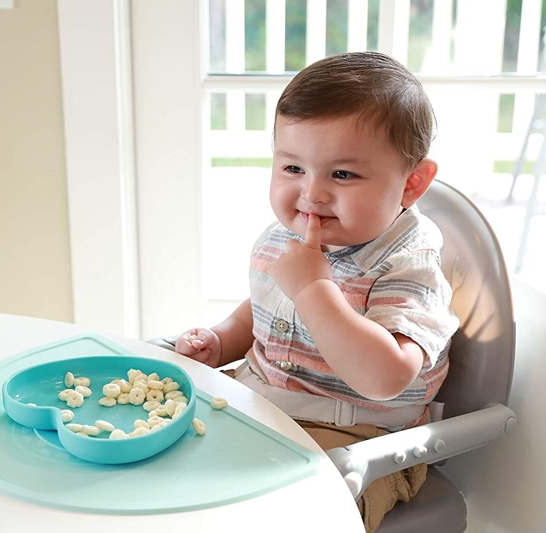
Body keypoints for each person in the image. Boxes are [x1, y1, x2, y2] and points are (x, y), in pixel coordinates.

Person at [174, 51, 460, 532]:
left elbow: (385, 376)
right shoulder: (292, 235)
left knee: (282, 517)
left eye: (342, 174)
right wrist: (223, 339)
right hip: (256, 410)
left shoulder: (408, 267)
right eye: (292, 169)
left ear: (412, 183)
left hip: (356, 443)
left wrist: (314, 287)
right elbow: (268, 304)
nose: (312, 194)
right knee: (165, 476)